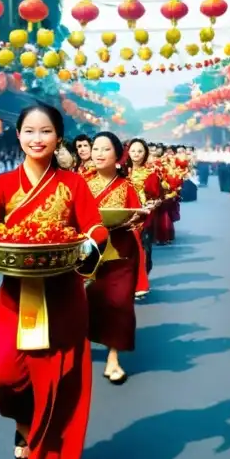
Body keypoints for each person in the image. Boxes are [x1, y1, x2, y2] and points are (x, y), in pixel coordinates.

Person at [0, 104, 108, 459]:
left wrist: (89, 244)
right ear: (18, 136)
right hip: (15, 295)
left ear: (58, 136)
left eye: (45, 131)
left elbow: (94, 228)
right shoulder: (5, 184)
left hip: (63, 298)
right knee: (1, 374)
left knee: (56, 389)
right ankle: (25, 426)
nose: (37, 138)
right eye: (29, 131)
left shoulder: (73, 185)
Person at [85, 131, 143, 385]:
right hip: (87, 252)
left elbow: (138, 215)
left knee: (119, 303)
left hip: (121, 253)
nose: (98, 153)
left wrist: (138, 219)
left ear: (118, 155)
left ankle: (113, 356)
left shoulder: (127, 186)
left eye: (104, 149)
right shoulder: (80, 182)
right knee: (89, 302)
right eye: (95, 148)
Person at [126, 138, 162, 300]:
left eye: (140, 151)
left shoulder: (151, 174)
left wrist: (152, 205)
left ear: (145, 153)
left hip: (143, 216)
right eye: (133, 151)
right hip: (125, 215)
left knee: (144, 248)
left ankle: (142, 280)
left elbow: (157, 196)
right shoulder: (121, 171)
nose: (136, 154)